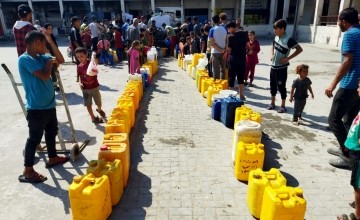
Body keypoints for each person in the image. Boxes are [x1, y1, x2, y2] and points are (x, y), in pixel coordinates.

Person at [17, 30, 67, 183]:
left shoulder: (41, 57)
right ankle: (28, 170)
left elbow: (61, 59)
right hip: (36, 107)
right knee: (34, 139)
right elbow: (45, 76)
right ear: (36, 43)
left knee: (51, 132)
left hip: (49, 104)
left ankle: (52, 157)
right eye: (44, 43)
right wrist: (48, 63)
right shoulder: (24, 59)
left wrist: (50, 41)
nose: (45, 47)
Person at [326, 8, 360, 169]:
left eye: (339, 21)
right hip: (358, 87)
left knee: (333, 119)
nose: (338, 23)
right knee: (349, 120)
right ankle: (346, 149)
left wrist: (332, 84)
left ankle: (347, 157)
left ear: (344, 21)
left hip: (349, 84)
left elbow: (347, 62)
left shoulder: (349, 34)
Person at [267, 19, 303, 113]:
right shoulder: (276, 37)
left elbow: (299, 49)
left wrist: (287, 58)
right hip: (273, 67)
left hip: (281, 68)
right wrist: (272, 54)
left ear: (282, 29)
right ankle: (272, 103)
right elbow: (273, 45)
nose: (274, 31)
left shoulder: (289, 39)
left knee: (281, 87)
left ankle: (283, 106)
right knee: (272, 86)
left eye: (276, 29)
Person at [337, 79, 360, 220]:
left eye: (359, 86)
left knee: (357, 184)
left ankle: (357, 216)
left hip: (358, 152)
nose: (358, 89)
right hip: (354, 149)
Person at [75, 47, 106, 123]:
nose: (80, 58)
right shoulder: (79, 66)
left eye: (81, 56)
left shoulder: (91, 63)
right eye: (78, 57)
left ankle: (99, 109)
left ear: (86, 55)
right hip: (85, 89)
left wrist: (94, 57)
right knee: (88, 104)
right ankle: (93, 117)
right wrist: (80, 83)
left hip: (94, 87)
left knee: (98, 102)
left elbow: (96, 62)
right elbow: (79, 76)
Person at [226, 21, 248, 100]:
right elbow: (246, 44)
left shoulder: (231, 37)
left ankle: (232, 96)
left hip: (233, 59)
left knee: (231, 77)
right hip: (242, 59)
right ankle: (241, 95)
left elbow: (229, 49)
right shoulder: (245, 33)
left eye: (228, 28)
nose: (228, 30)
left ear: (232, 27)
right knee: (240, 77)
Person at [209, 14, 227, 80]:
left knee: (216, 71)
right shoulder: (225, 29)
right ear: (219, 20)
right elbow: (227, 41)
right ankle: (223, 85)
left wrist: (220, 50)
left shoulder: (212, 30)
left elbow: (212, 43)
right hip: (224, 52)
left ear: (213, 21)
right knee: (223, 70)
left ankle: (216, 86)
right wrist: (224, 51)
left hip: (215, 52)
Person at [44, 23, 60, 92]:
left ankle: (55, 85)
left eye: (51, 28)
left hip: (54, 56)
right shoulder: (44, 38)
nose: (50, 30)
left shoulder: (52, 37)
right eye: (49, 29)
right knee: (49, 72)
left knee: (54, 72)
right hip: (47, 58)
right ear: (45, 29)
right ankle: (50, 86)